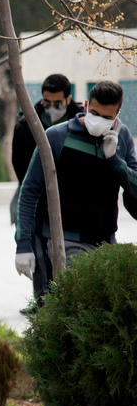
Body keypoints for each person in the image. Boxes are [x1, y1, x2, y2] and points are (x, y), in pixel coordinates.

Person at [15, 81, 137, 300]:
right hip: (63, 241)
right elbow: (29, 191)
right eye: (94, 112)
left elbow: (135, 193)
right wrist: (23, 244)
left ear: (118, 114)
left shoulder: (123, 138)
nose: (98, 120)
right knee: (79, 302)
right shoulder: (57, 136)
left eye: (107, 118)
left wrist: (115, 161)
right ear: (87, 104)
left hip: (105, 241)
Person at [13, 74, 82, 183]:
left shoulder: (82, 123)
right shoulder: (26, 126)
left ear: (68, 99)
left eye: (57, 104)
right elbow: (19, 164)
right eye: (46, 103)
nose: (51, 108)